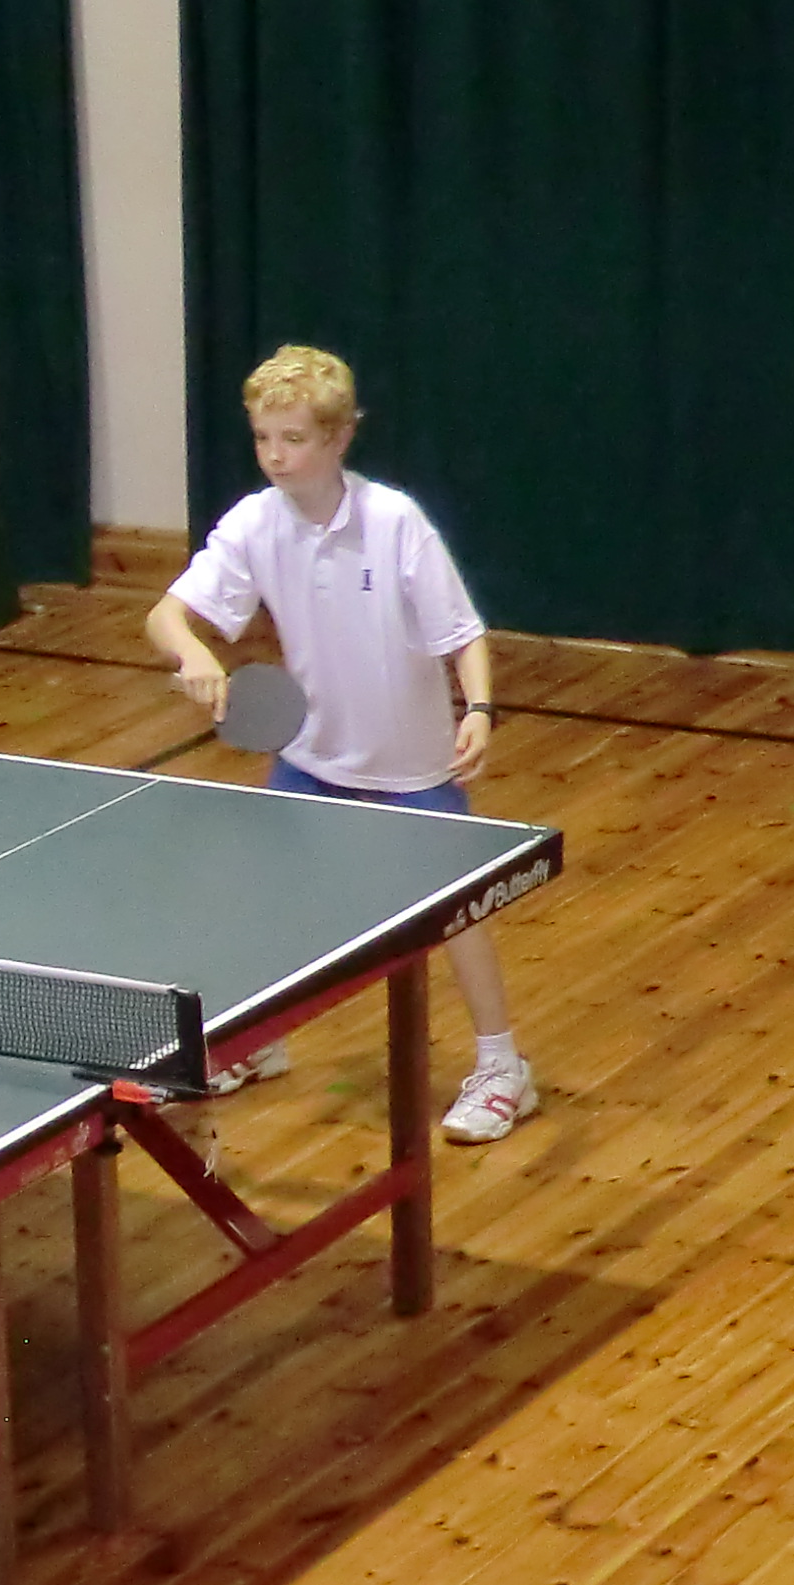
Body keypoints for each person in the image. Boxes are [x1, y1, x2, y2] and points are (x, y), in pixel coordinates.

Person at [146, 344, 537, 1142]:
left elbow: (463, 632)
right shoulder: (255, 523)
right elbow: (165, 616)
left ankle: (504, 1067)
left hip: (411, 763)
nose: (274, 455)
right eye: (263, 437)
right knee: (267, 898)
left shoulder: (394, 523)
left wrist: (479, 708)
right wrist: (192, 654)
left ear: (338, 437)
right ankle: (258, 1040)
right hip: (312, 755)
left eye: (292, 439)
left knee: (458, 919)